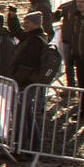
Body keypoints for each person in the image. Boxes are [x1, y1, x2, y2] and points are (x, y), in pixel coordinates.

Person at [9, 12, 59, 150]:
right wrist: (12, 18)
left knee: (21, 116)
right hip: (26, 82)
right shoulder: (32, 37)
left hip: (24, 82)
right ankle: (34, 144)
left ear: (36, 23)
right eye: (24, 21)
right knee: (26, 114)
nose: (24, 24)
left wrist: (19, 78)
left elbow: (28, 64)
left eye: (27, 22)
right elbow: (16, 31)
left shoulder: (35, 41)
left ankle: (22, 146)